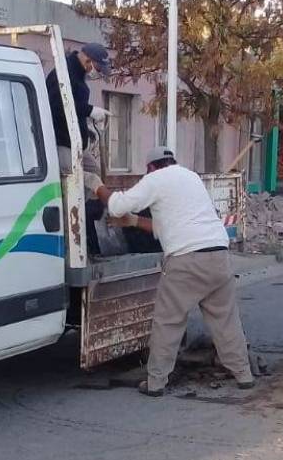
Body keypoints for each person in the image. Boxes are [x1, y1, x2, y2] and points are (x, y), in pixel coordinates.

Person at [86, 147, 255, 396]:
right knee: (226, 321)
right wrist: (134, 221)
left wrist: (96, 185)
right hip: (219, 257)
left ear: (151, 167)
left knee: (168, 323)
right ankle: (244, 375)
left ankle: (155, 383)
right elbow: (173, 224)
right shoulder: (191, 177)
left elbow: (117, 205)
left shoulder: (155, 178)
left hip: (187, 262)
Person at [45, 42, 111, 174]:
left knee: (94, 173)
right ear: (88, 60)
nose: (98, 73)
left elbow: (75, 106)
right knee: (76, 178)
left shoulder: (78, 75)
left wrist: (87, 126)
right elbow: (58, 106)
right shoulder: (63, 73)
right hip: (62, 142)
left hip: (76, 143)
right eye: (98, 69)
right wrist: (90, 111)